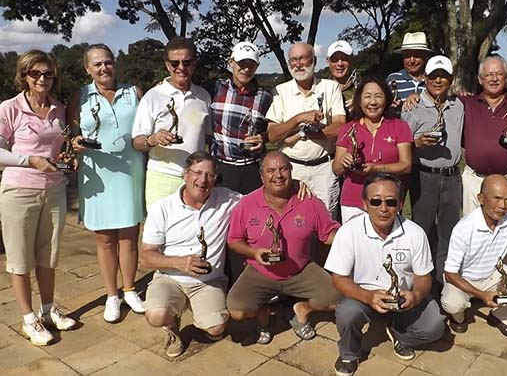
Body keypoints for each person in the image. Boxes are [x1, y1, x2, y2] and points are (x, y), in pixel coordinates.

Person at [325, 173, 445, 376]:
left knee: (435, 326)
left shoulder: (415, 233)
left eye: (390, 202)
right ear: (364, 203)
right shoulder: (349, 232)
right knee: (347, 312)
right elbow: (338, 278)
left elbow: (424, 277)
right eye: (376, 201)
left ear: (400, 204)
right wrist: (368, 297)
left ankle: (399, 333)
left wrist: (415, 296)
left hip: (403, 297)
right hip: (363, 295)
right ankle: (349, 353)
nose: (383, 208)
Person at [0, 50, 76, 346]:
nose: (42, 78)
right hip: (19, 189)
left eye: (48, 73)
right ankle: (29, 318)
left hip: (54, 189)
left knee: (48, 256)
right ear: (24, 76)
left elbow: (58, 149)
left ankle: (47, 309)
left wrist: (70, 158)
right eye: (36, 74)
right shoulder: (9, 108)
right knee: (20, 258)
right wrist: (28, 160)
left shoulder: (58, 108)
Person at [226, 151, 341, 344]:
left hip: (301, 269)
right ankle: (263, 313)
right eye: (270, 170)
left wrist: (356, 237)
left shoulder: (309, 201)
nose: (278, 175)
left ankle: (302, 310)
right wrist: (254, 252)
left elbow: (328, 234)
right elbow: (234, 240)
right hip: (260, 270)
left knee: (340, 298)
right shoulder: (246, 204)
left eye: (283, 169)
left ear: (291, 171)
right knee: (237, 310)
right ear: (261, 176)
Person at [67, 44, 146, 323]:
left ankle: (130, 289)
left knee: (129, 234)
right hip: (97, 175)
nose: (104, 68)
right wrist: (75, 143)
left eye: (108, 62)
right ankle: (112, 296)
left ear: (115, 64)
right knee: (105, 238)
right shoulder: (80, 96)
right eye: (97, 64)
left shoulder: (134, 92)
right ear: (88, 68)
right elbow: (71, 135)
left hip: (129, 172)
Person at [140, 151, 242, 358]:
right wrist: (179, 263)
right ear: (185, 174)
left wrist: (293, 184)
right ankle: (171, 326)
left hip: (208, 281)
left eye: (210, 175)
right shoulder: (163, 207)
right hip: (170, 278)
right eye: (197, 173)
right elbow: (146, 256)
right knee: (156, 315)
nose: (203, 180)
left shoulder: (227, 199)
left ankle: (201, 312)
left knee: (216, 328)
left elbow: (261, 199)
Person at [442, 175, 507, 340]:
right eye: (497, 199)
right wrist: (481, 295)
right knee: (452, 303)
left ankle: (501, 318)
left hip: (492, 275)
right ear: (481, 199)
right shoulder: (464, 228)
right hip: (463, 278)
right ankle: (457, 318)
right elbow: (450, 273)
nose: (503, 206)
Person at [401, 55, 465, 286]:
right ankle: (422, 284)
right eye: (434, 76)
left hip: (452, 177)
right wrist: (417, 143)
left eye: (444, 76)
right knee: (422, 231)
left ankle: (444, 282)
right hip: (423, 176)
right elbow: (402, 145)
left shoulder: (458, 105)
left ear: (451, 79)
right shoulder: (413, 105)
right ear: (425, 78)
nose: (438, 80)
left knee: (449, 232)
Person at [267, 42, 346, 219]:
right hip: (292, 168)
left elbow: (341, 126)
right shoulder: (280, 91)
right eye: (294, 60)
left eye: (303, 58)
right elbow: (272, 135)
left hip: (323, 169)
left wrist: (305, 133)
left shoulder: (330, 87)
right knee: (291, 220)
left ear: (314, 60)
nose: (299, 64)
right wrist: (299, 118)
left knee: (326, 222)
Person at [132, 36, 212, 207]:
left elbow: (208, 138)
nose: (181, 68)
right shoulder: (152, 96)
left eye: (187, 62)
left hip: (196, 180)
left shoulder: (204, 97)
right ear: (167, 64)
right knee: (159, 233)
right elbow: (137, 142)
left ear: (195, 63)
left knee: (193, 232)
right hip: (162, 178)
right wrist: (152, 139)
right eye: (175, 63)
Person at [460, 56, 507, 215]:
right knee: (472, 231)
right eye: (488, 75)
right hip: (474, 180)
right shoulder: (467, 103)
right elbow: (439, 97)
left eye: (499, 74)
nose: (494, 79)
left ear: (506, 78)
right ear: (480, 80)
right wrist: (415, 96)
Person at [332, 76, 413, 222]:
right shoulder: (348, 128)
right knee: (355, 243)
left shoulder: (400, 127)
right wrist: (343, 162)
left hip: (387, 200)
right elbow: (336, 169)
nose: (373, 102)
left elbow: (406, 166)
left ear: (386, 99)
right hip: (353, 200)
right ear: (359, 100)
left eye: (378, 96)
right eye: (367, 96)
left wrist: (376, 168)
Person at [209, 41, 272, 195]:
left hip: (252, 168)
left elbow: (272, 130)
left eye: (251, 64)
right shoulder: (214, 88)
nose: (245, 69)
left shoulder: (265, 96)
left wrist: (263, 138)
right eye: (241, 63)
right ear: (231, 62)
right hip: (221, 168)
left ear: (257, 66)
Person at [386, 32, 434, 110]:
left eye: (417, 55)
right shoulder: (392, 79)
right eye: (407, 56)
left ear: (425, 56)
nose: (412, 61)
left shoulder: (433, 80)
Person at [326, 40, 357, 117]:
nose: (340, 64)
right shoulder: (321, 88)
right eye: (335, 60)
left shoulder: (363, 88)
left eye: (344, 59)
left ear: (352, 60)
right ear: (328, 62)